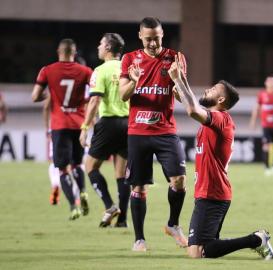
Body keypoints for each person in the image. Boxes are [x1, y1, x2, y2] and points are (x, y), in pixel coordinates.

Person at [167, 54, 273, 260]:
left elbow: (192, 110)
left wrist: (178, 79)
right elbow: (195, 107)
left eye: (214, 89)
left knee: (197, 252)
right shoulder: (216, 119)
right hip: (212, 192)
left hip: (212, 193)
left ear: (221, 100)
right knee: (207, 248)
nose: (208, 89)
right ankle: (256, 240)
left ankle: (256, 239)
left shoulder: (220, 118)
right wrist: (183, 87)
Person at [119, 17, 188, 251]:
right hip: (138, 132)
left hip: (166, 130)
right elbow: (123, 95)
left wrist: (177, 79)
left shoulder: (175, 58)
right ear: (140, 36)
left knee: (179, 181)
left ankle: (173, 224)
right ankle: (139, 239)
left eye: (156, 38)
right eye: (148, 39)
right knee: (138, 187)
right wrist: (135, 81)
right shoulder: (129, 59)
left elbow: (183, 96)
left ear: (162, 34)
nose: (152, 43)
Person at [32, 38, 92, 220]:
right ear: (74, 53)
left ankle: (73, 205)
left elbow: (35, 97)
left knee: (63, 170)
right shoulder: (86, 71)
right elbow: (95, 94)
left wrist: (49, 93)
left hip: (59, 125)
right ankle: (82, 191)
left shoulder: (48, 71)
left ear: (59, 51)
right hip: (79, 124)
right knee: (76, 164)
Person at [80, 33, 131, 228]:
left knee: (91, 167)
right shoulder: (129, 69)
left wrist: (85, 127)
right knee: (121, 173)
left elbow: (94, 100)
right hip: (128, 124)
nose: (98, 47)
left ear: (108, 48)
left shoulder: (100, 70)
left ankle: (110, 206)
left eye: (101, 44)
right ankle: (123, 220)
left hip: (109, 123)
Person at [250, 75, 273, 176]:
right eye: (270, 82)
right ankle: (266, 168)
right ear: (266, 84)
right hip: (266, 125)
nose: (271, 84)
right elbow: (256, 108)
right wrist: (253, 121)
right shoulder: (262, 95)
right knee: (266, 146)